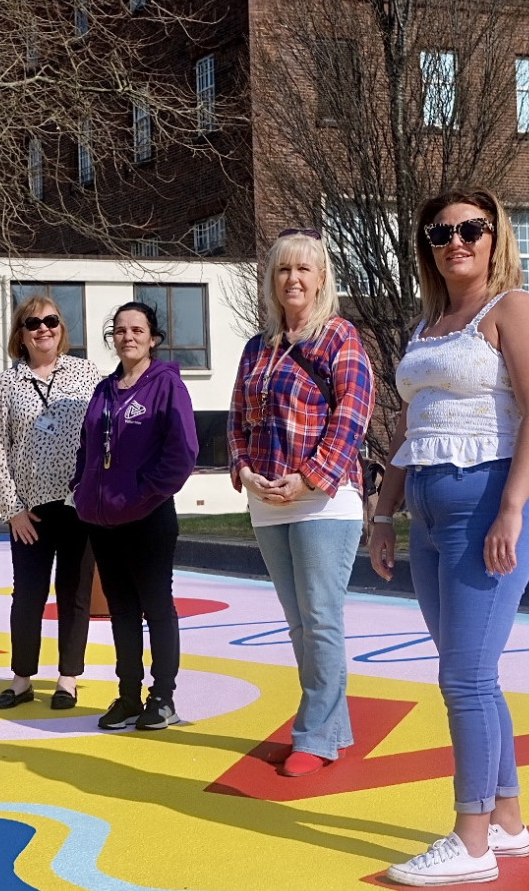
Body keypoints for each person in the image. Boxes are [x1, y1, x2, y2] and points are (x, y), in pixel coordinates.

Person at [368, 189, 529, 886]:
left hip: (488, 505)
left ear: (493, 234)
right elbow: (410, 427)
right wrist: (384, 511)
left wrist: (512, 508)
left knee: (465, 677)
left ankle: (470, 842)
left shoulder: (515, 309)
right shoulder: (430, 325)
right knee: (471, 671)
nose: (457, 241)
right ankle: (506, 821)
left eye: (471, 229)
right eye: (441, 231)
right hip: (428, 507)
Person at [227, 228, 375, 777]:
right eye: (284, 270)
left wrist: (309, 479)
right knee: (297, 623)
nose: (293, 279)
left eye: (304, 270)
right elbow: (237, 420)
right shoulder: (257, 348)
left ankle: (313, 733)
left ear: (321, 280)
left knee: (320, 618)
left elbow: (352, 417)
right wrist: (243, 471)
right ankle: (332, 726)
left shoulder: (340, 338)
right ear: (272, 280)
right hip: (269, 501)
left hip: (324, 502)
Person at [72, 302, 197, 731]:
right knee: (121, 610)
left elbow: (183, 452)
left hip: (149, 517)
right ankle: (127, 696)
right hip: (103, 521)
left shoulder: (166, 386)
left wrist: (145, 494)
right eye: (120, 330)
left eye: (137, 330)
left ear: (153, 339)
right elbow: (87, 447)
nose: (128, 337)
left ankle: (162, 698)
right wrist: (81, 488)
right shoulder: (105, 390)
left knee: (156, 606)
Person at [0, 296, 103, 710]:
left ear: (61, 327)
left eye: (51, 320)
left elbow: (105, 431)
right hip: (30, 512)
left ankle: (68, 679)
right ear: (21, 333)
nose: (43, 329)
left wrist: (98, 491)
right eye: (33, 322)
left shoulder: (87, 373)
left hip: (78, 506)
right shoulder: (7, 383)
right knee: (28, 594)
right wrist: (12, 509)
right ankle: (21, 679)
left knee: (74, 593)